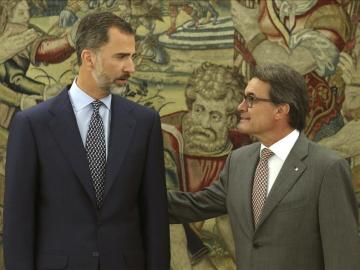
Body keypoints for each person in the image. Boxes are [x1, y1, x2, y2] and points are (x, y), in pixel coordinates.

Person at [4, 11, 170, 270]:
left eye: (132, 56)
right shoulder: (31, 125)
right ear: (88, 57)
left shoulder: (144, 123)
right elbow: (18, 223)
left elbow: (155, 218)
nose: (131, 67)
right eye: (121, 57)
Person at [168, 63, 360, 270]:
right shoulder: (238, 161)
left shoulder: (327, 168)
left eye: (251, 99)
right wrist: (136, 190)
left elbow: (343, 257)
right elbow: (194, 206)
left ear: (281, 109)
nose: (241, 107)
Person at [162, 62, 250, 269]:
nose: (203, 123)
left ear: (230, 121)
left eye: (215, 116)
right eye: (199, 110)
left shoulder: (242, 149)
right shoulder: (167, 138)